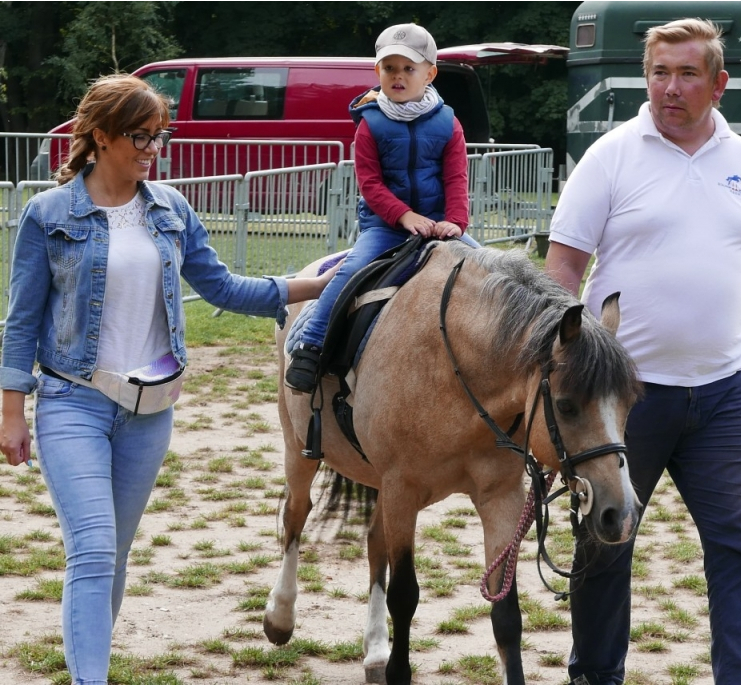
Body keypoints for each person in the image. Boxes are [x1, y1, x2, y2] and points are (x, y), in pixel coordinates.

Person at [0, 74, 338, 684]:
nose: (152, 150)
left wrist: (318, 285)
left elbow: (223, 287)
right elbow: (21, 322)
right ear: (99, 136)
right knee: (95, 549)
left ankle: (88, 664)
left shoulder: (169, 208)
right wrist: (11, 410)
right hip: (72, 402)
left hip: (149, 411)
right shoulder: (48, 213)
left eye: (160, 137)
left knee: (114, 553)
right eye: (139, 136)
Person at [544, 18, 741, 685]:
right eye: (659, 72)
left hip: (727, 390)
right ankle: (595, 674)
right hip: (623, 398)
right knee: (603, 545)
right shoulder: (613, 155)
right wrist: (560, 373)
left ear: (719, 83)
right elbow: (563, 269)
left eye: (686, 74)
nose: (670, 88)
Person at [285, 22, 476, 392]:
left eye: (409, 68)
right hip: (385, 227)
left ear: (430, 73)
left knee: (490, 271)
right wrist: (403, 216)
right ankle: (312, 345)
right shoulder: (370, 123)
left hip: (439, 224)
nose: (398, 76)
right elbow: (370, 184)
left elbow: (456, 178)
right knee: (351, 270)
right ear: (378, 72)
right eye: (389, 68)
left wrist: (455, 221)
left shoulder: (448, 123)